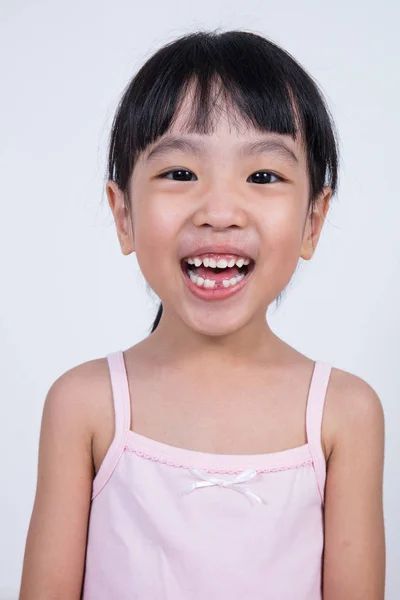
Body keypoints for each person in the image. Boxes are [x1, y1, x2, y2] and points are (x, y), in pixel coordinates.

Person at [19, 30, 385, 599]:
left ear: (314, 219)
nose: (220, 211)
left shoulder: (345, 413)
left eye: (263, 176)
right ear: (123, 215)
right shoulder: (84, 404)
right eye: (180, 174)